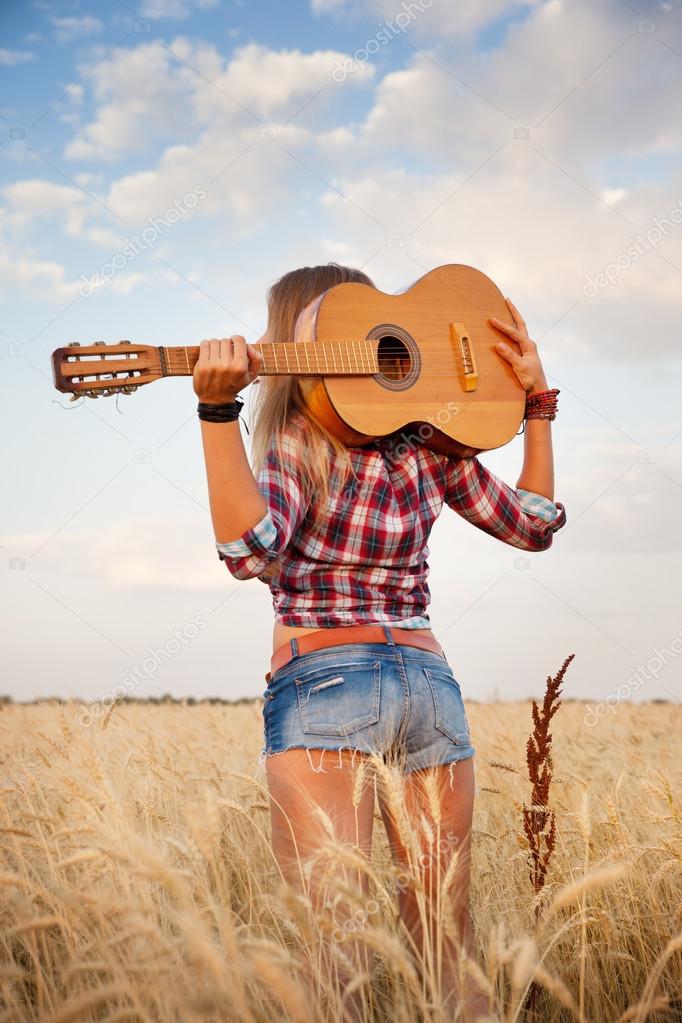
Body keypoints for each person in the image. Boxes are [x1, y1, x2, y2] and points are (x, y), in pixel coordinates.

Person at [194, 263, 566, 1022]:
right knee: (445, 949)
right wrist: (536, 404)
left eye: (278, 332)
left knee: (335, 962)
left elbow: (248, 550)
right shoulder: (432, 446)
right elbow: (535, 522)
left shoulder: (299, 444)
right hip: (429, 684)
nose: (267, 346)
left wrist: (214, 412)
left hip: (326, 680)